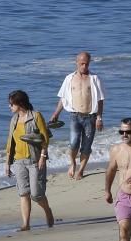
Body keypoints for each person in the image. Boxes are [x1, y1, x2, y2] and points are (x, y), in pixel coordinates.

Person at [48, 52, 106, 180]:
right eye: (82, 63)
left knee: (86, 146)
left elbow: (100, 100)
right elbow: (63, 98)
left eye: (87, 64)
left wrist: (99, 118)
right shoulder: (69, 78)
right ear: (76, 62)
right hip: (74, 116)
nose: (84, 66)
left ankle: (81, 170)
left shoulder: (94, 78)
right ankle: (73, 163)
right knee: (74, 143)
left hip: (90, 117)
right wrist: (56, 114)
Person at [5, 90, 55, 231]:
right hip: (18, 161)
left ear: (19, 103)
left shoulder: (36, 116)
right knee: (23, 193)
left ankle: (47, 210)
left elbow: (45, 138)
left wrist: (43, 157)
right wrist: (7, 163)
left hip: (34, 160)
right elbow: (10, 142)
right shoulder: (14, 119)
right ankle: (26, 224)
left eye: (11, 104)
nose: (9, 107)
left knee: (36, 194)